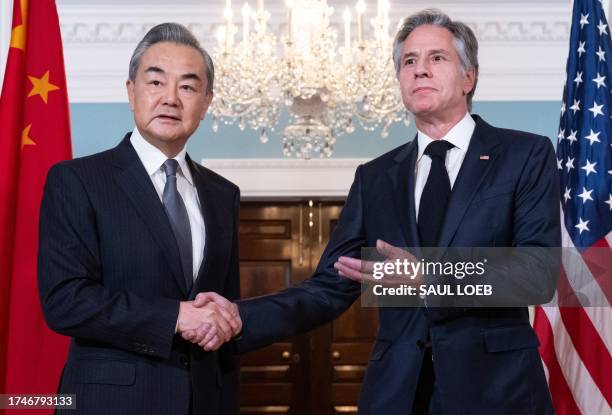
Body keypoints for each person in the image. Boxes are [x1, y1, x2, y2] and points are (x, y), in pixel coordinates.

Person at [184, 9, 561, 415]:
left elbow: (535, 274)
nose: (419, 71)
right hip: (397, 394)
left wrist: (429, 276)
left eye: (436, 58)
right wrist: (240, 317)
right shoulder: (375, 177)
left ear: (469, 77)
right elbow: (330, 286)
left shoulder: (525, 155)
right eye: (408, 62)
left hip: (498, 392)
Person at [38, 23, 242, 415]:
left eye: (187, 86)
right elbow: (64, 301)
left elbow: (223, 306)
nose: (170, 98)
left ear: (206, 102)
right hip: (110, 402)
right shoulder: (77, 180)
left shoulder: (222, 194)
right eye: (155, 82)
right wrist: (174, 317)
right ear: (131, 92)